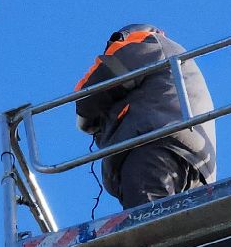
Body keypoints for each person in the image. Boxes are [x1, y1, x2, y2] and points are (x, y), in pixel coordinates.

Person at [73, 24, 217, 209]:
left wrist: (88, 119)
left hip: (151, 145)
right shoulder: (175, 59)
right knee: (184, 230)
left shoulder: (145, 41)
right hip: (195, 165)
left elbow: (92, 91)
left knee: (149, 223)